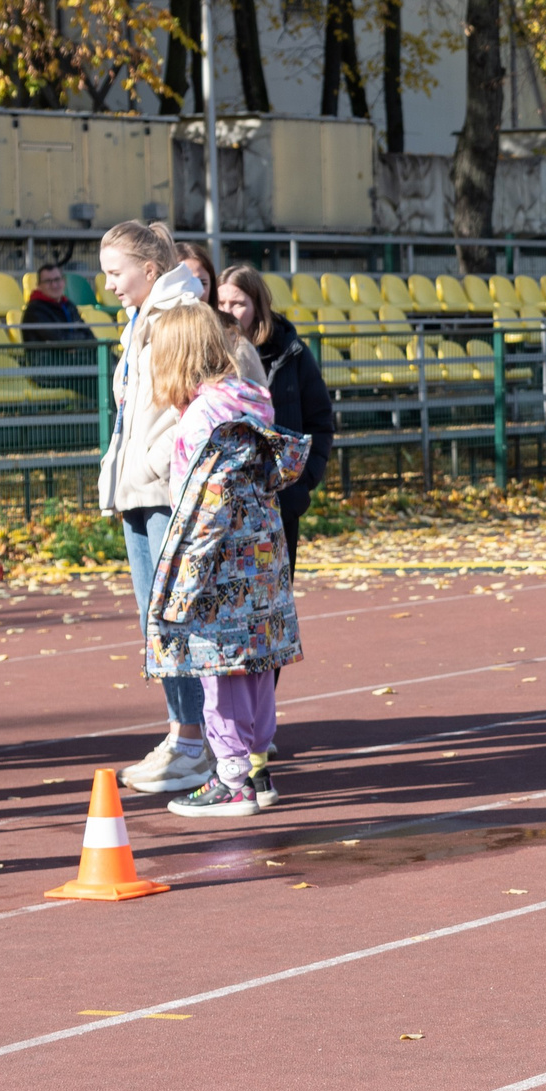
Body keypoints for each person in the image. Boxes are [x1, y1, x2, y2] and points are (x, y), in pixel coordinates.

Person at [141, 304, 305, 819]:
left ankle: (232, 780)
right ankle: (256, 768)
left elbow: (204, 510)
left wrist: (182, 582)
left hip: (220, 567)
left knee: (222, 669)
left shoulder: (202, 418)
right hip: (259, 559)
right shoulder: (249, 399)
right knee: (255, 665)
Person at [97, 221, 218, 795]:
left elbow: (195, 402)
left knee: (174, 617)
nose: (109, 285)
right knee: (157, 621)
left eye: (115, 273)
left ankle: (196, 740)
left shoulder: (178, 318)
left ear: (149, 270)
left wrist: (156, 461)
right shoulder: (141, 320)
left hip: (164, 491)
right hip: (139, 490)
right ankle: (183, 734)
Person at [216, 266, 334, 580]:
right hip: (225, 502)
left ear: (258, 306)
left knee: (278, 594)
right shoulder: (208, 355)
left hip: (280, 500)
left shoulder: (291, 353)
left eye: (238, 303)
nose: (228, 311)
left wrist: (303, 479)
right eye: (221, 303)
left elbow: (320, 420)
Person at [20, 260, 94, 402]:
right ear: (39, 286)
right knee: (98, 376)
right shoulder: (35, 310)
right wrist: (77, 342)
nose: (54, 285)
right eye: (48, 281)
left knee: (107, 362)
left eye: (57, 280)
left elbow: (89, 336)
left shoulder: (68, 305)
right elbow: (60, 340)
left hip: (73, 364)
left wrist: (74, 346)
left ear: (63, 282)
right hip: (48, 372)